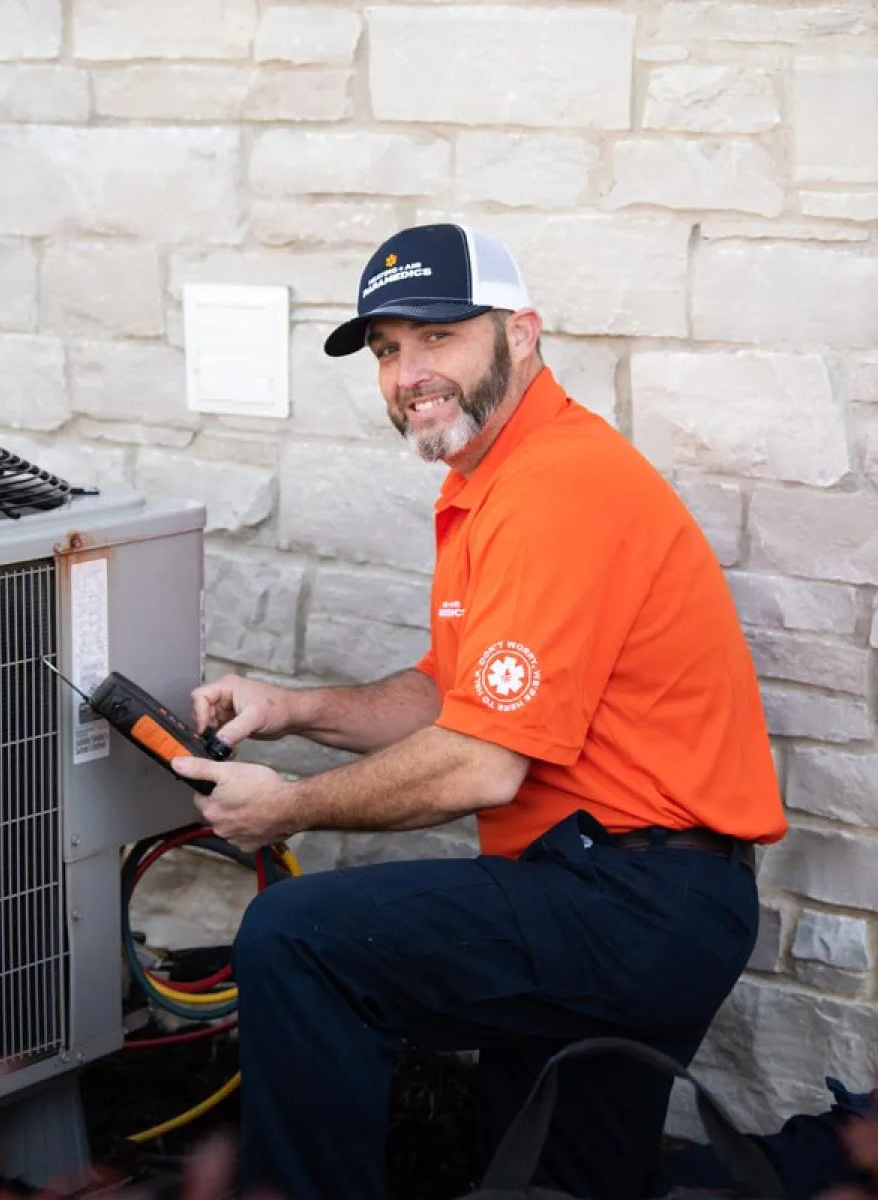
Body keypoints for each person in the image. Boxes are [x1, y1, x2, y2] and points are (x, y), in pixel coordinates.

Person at [172, 222, 788, 1200]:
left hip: (627, 903)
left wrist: (286, 806)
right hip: (627, 896)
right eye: (386, 350)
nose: (410, 371)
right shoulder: (495, 482)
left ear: (522, 333)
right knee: (551, 1184)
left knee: (298, 938)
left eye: (439, 336)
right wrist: (288, 708)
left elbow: (479, 764)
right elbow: (447, 696)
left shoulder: (557, 488)